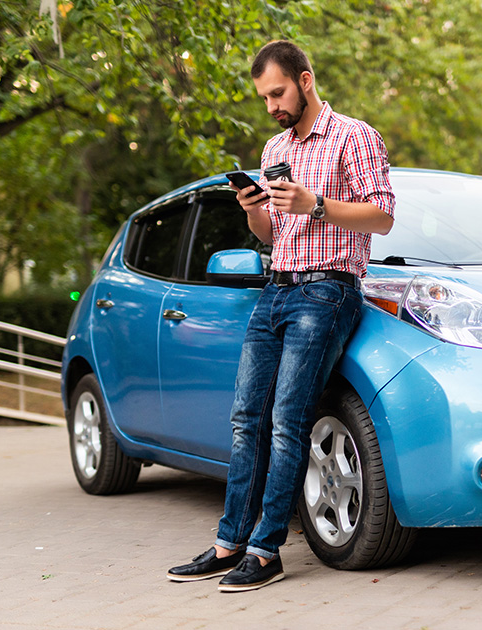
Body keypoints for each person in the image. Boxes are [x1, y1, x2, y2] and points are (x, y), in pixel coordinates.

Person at [166, 40, 395, 592]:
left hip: (327, 292)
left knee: (286, 421)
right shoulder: (274, 145)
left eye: (278, 92)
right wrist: (254, 213)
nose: (271, 105)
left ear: (306, 80)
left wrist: (315, 203)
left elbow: (382, 217)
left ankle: (266, 552)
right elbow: (275, 232)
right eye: (264, 96)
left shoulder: (355, 136)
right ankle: (229, 544)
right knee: (246, 419)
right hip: (276, 288)